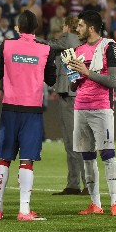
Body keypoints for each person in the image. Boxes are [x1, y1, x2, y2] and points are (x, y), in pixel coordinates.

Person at [0, 10, 57, 221]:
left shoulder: (7, 45)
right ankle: (24, 210)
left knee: (4, 158)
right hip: (32, 110)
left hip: (10, 108)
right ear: (36, 28)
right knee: (26, 160)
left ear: (18, 27)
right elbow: (51, 79)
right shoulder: (45, 49)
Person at [68, 10, 116, 217]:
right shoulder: (78, 50)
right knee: (87, 157)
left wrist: (87, 72)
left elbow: (115, 82)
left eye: (80, 25)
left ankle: (115, 203)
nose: (77, 29)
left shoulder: (109, 46)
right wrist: (73, 76)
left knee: (108, 155)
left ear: (91, 28)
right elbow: (75, 86)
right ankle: (95, 204)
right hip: (80, 107)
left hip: (101, 108)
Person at [41, 15, 85, 195]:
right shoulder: (80, 41)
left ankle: (82, 184)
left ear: (67, 26)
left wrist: (29, 39)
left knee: (73, 140)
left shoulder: (68, 38)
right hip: (77, 93)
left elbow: (49, 44)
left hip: (70, 94)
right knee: (76, 140)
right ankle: (75, 183)